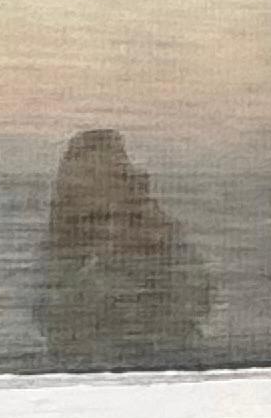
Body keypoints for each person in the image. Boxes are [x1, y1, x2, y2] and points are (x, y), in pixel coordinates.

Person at [37, 128, 214, 369]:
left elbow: (198, 296)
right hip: (86, 368)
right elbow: (50, 312)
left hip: (161, 364)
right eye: (87, 173)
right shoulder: (65, 240)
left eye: (113, 171)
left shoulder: (155, 225)